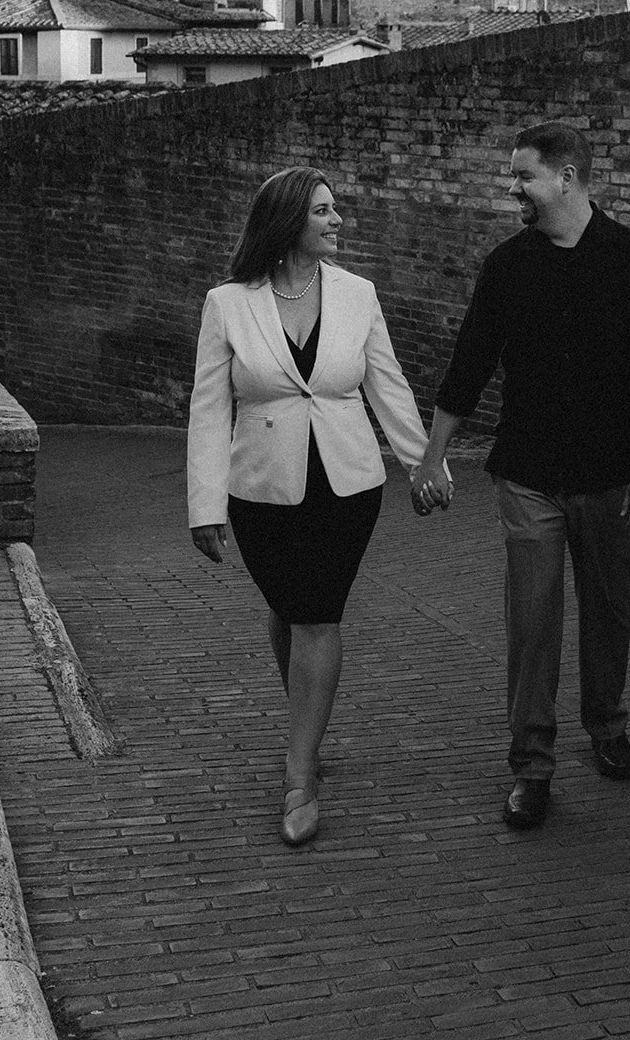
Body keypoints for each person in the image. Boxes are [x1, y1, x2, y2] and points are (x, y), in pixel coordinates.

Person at [412, 122, 630, 830]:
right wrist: (432, 455)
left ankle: (607, 726)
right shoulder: (507, 266)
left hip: (612, 476)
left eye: (523, 176)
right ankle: (531, 767)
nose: (514, 189)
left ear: (566, 178)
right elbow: (469, 363)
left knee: (607, 610)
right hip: (528, 474)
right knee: (531, 622)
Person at [188, 167, 448, 847]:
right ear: (287, 222)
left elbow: (387, 382)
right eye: (323, 211)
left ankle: (300, 772)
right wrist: (203, 504)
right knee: (289, 608)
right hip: (260, 490)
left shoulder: (358, 294)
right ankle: (310, 725)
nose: (338, 221)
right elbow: (209, 408)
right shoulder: (227, 303)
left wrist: (423, 464)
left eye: (336, 210)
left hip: (347, 485)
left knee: (315, 614)